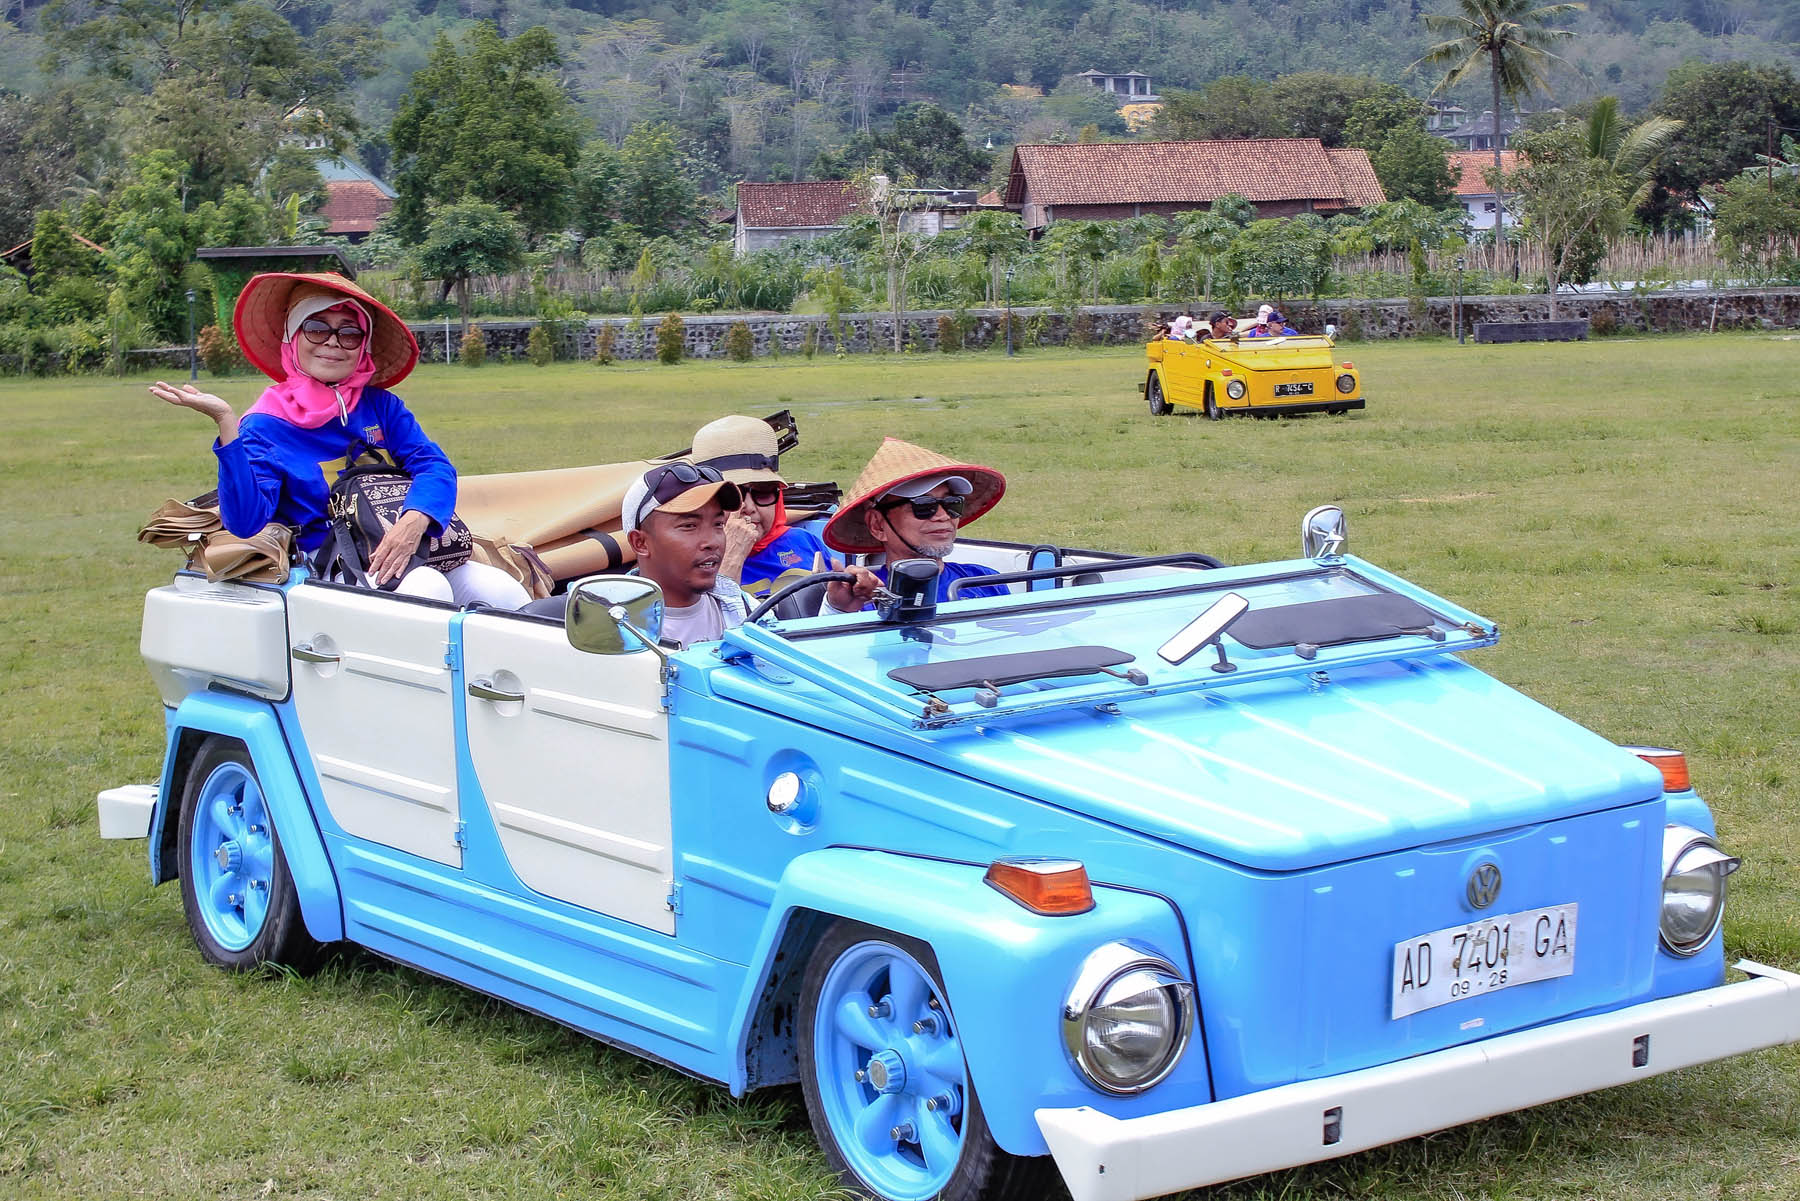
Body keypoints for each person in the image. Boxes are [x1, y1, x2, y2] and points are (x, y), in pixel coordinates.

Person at [149, 272, 527, 608]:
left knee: (504, 592)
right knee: (426, 589)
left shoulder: (382, 407)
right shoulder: (263, 425)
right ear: (292, 337)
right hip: (330, 564)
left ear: (362, 345)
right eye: (316, 328)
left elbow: (433, 466)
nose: (333, 342)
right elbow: (245, 522)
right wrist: (226, 423)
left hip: (410, 546)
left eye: (349, 333)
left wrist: (414, 520)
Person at [820, 437, 1009, 613]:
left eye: (953, 503)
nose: (943, 516)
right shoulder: (860, 595)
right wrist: (837, 609)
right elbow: (824, 646)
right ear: (877, 525)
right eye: (923, 506)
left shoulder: (984, 580)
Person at [689, 414, 836, 598]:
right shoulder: (688, 562)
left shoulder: (804, 541)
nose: (748, 506)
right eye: (733, 494)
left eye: (764, 491)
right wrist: (730, 558)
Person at [620, 461, 749, 649]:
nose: (712, 542)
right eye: (689, 526)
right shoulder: (611, 628)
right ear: (640, 543)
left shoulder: (745, 610)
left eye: (718, 524)